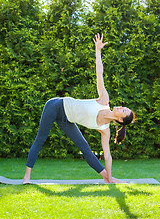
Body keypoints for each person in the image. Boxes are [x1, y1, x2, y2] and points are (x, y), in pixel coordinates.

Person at [23, 33, 135, 184]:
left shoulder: (105, 129)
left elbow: (107, 156)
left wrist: (109, 176)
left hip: (67, 120)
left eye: (123, 110)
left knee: (85, 148)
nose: (120, 106)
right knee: (41, 139)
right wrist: (98, 50)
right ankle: (27, 177)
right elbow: (99, 74)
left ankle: (108, 179)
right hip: (55, 106)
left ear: (120, 119)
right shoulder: (104, 100)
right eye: (123, 107)